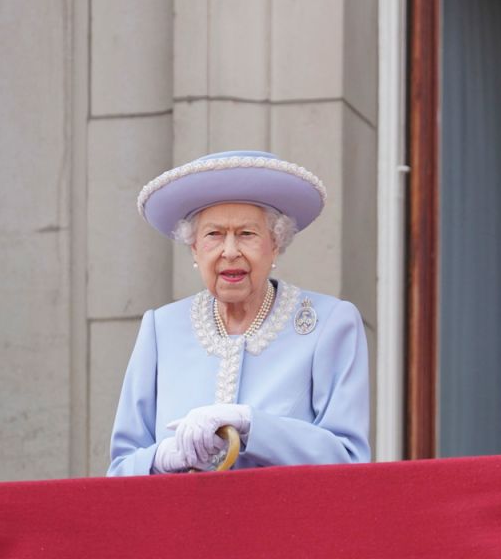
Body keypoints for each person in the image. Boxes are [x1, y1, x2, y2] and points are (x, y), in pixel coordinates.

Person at [108, 150, 370, 475]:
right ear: (194, 248)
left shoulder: (330, 323)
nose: (230, 251)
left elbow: (348, 460)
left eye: (247, 234)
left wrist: (251, 425)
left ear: (275, 244)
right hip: (182, 510)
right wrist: (161, 458)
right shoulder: (161, 329)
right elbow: (120, 470)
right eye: (214, 235)